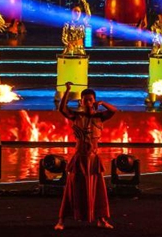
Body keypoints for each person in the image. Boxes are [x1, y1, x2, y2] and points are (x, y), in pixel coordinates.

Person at [55, 82, 117, 231]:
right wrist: (68, 90)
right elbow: (62, 109)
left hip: (94, 159)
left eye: (91, 99)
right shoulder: (77, 116)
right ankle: (61, 221)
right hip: (79, 158)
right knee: (72, 190)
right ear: (81, 101)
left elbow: (114, 110)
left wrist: (102, 103)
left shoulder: (100, 117)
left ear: (94, 101)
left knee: (98, 191)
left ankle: (101, 219)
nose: (88, 102)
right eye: (86, 99)